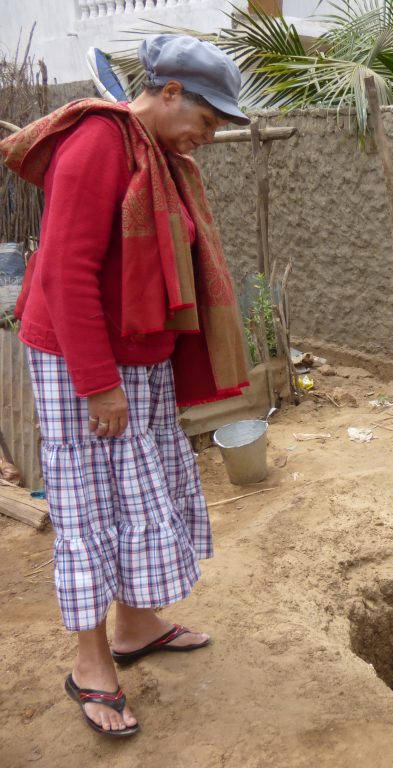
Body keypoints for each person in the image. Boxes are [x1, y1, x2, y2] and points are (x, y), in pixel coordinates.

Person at [0, 35, 251, 736]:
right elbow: (65, 273)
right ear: (169, 93)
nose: (207, 138)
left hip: (135, 356)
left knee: (140, 487)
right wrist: (97, 384)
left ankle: (135, 626)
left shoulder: (152, 152)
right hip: (85, 360)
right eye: (206, 120)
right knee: (89, 504)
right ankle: (90, 665)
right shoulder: (97, 144)